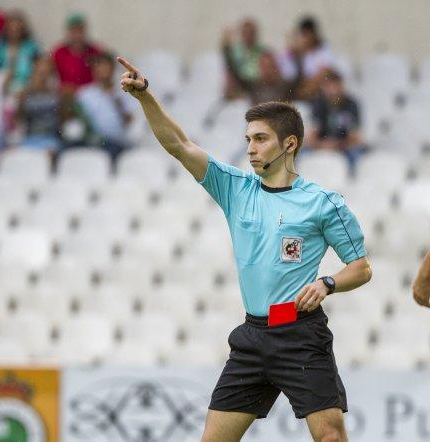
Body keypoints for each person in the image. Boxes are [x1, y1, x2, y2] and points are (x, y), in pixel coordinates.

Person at [117, 56, 372, 442]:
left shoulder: (323, 203)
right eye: (248, 139)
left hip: (300, 334)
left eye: (260, 139)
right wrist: (145, 98)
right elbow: (180, 145)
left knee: (331, 437)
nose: (250, 148)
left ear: (290, 144)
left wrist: (327, 283)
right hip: (253, 337)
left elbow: (361, 268)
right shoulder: (236, 188)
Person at [75, 52, 137, 166]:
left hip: (116, 143)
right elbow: (80, 121)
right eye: (98, 67)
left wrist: (117, 103)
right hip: (90, 142)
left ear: (112, 69)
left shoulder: (126, 91)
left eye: (105, 67)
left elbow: (130, 122)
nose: (101, 71)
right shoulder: (84, 94)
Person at [305, 69, 366, 172]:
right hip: (321, 145)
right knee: (303, 154)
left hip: (344, 146)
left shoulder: (351, 105)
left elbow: (355, 137)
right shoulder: (317, 105)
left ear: (341, 86)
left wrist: (337, 145)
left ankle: (351, 181)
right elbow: (311, 137)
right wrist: (322, 145)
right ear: (323, 88)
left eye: (335, 86)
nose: (333, 90)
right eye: (329, 87)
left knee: (356, 154)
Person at [278, 16, 336, 100]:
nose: (303, 39)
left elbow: (322, 75)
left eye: (306, 35)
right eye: (302, 35)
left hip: (314, 94)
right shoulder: (291, 53)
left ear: (313, 35)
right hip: (291, 88)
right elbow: (282, 66)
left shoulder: (323, 52)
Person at [17, 55, 64, 154]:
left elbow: (62, 120)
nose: (43, 77)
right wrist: (22, 100)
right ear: (34, 73)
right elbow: (19, 118)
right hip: (29, 138)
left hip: (51, 138)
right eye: (40, 73)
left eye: (46, 73)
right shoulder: (25, 94)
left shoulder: (58, 94)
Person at [52, 13, 102, 93]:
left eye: (80, 30)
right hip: (66, 96)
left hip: (90, 95)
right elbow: (53, 78)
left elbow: (101, 76)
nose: (77, 34)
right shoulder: (59, 53)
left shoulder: (95, 51)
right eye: (73, 30)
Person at [0, 10, 40, 94]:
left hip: (27, 89)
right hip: (3, 89)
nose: (14, 32)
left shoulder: (31, 48)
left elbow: (37, 69)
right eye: (11, 29)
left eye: (17, 29)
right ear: (6, 30)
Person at [221, 19, 268, 99]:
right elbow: (229, 69)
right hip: (239, 83)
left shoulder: (263, 50)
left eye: (251, 33)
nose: (248, 35)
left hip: (257, 85)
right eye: (246, 33)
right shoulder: (234, 51)